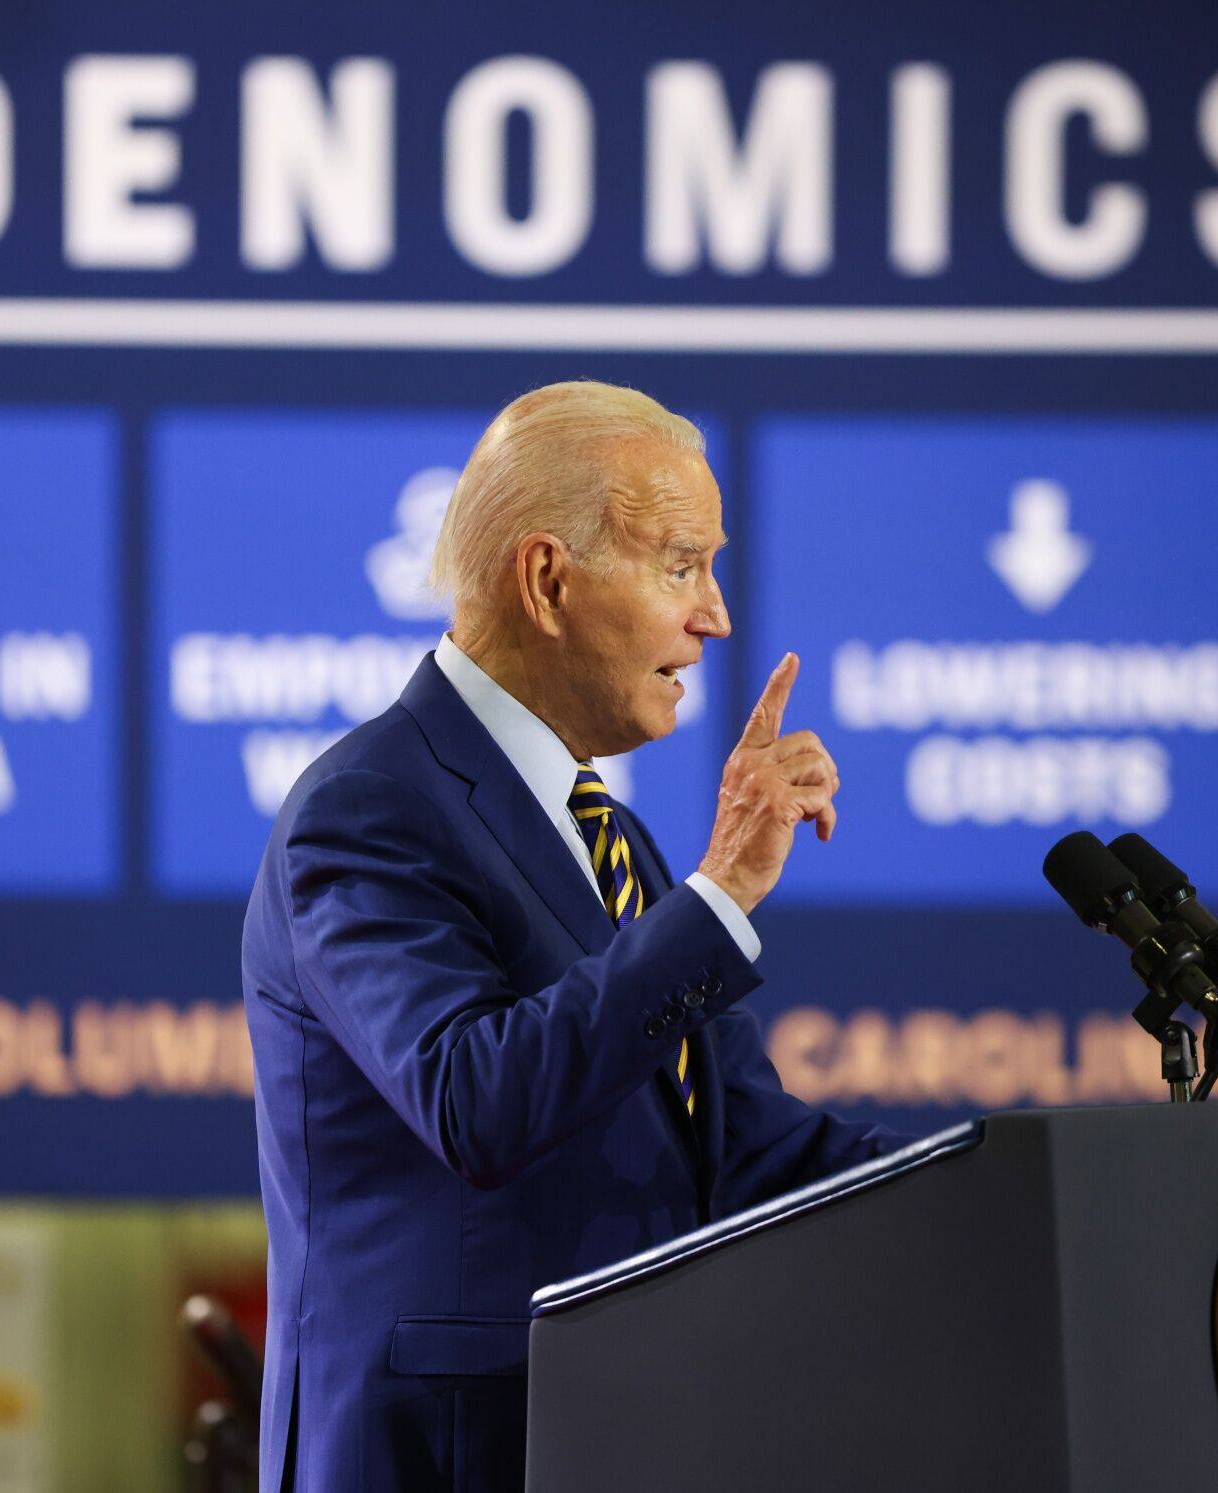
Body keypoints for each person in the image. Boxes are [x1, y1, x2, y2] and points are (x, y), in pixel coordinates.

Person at [241, 380, 908, 1492]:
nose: (717, 615)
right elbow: (471, 1097)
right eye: (681, 563)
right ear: (548, 579)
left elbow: (743, 1150)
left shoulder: (615, 841)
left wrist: (1019, 1181)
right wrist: (717, 894)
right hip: (443, 1457)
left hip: (618, 1436)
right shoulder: (365, 807)